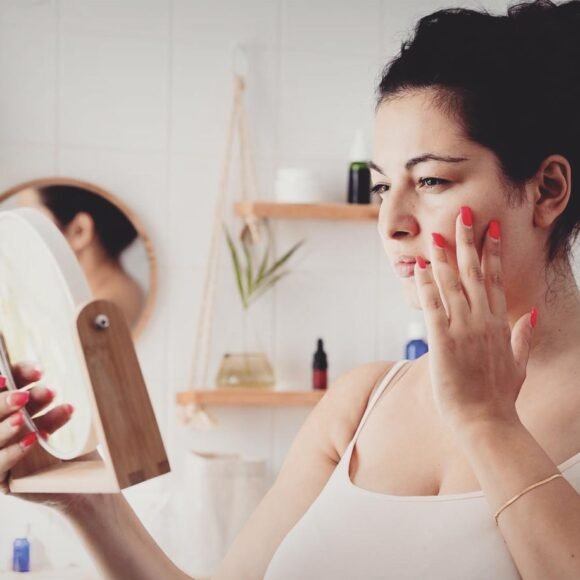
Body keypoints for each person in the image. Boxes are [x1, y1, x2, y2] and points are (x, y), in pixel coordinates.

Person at [2, 0, 580, 577]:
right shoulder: (358, 405)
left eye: (430, 179)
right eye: (382, 189)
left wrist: (487, 422)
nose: (392, 222)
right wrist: (83, 498)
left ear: (547, 189)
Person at [16, 184, 145, 329]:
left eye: (32, 219)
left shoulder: (102, 316)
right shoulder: (121, 291)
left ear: (79, 231)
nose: (18, 234)